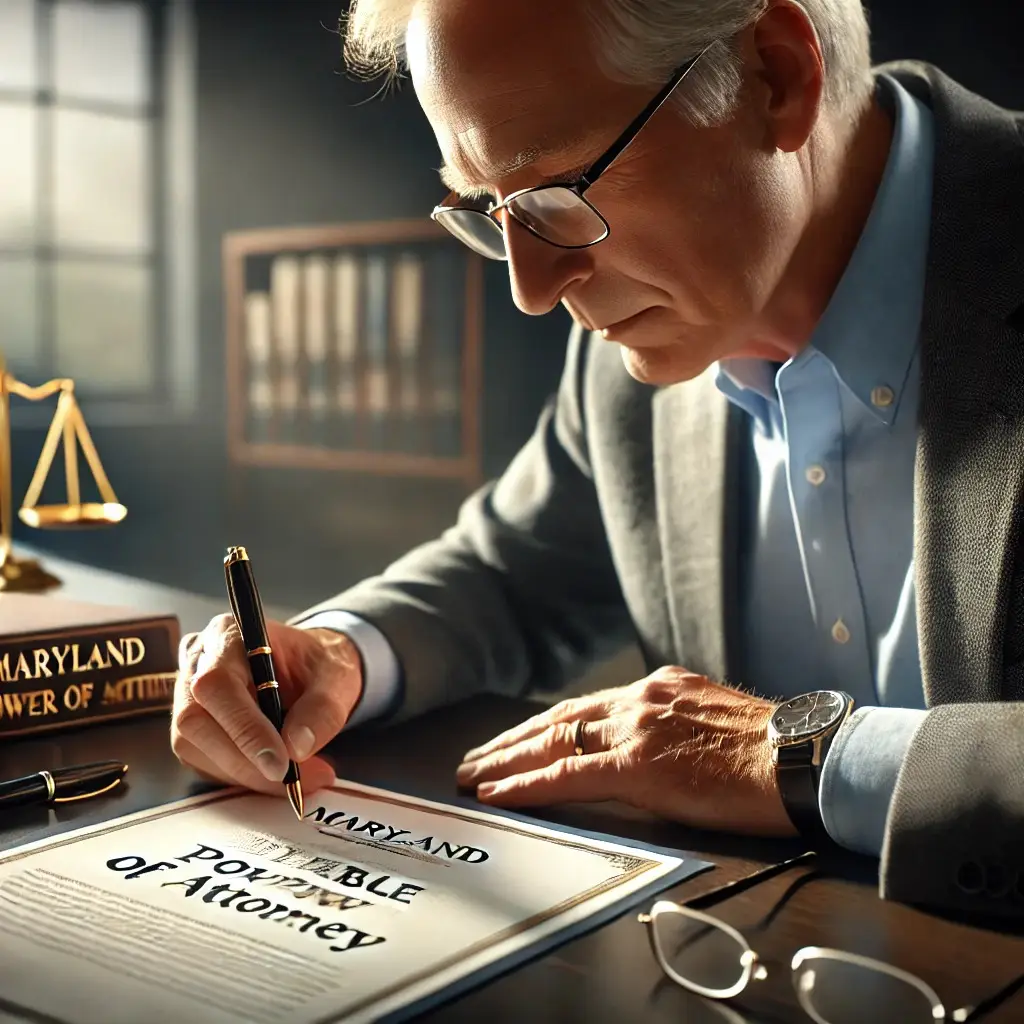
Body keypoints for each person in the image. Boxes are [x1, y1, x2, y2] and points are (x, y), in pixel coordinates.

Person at [172, 0, 1024, 920]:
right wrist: (339, 653)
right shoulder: (634, 328)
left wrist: (800, 757)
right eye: (489, 210)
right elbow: (511, 574)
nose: (532, 291)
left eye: (555, 196)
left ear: (776, 77)